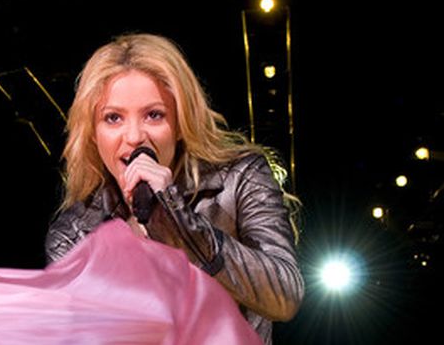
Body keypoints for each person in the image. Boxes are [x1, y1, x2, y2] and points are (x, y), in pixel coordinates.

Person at [45, 32, 304, 345]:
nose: (134, 136)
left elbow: (284, 295)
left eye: (154, 115)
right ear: (92, 133)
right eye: (113, 118)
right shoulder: (75, 232)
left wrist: (178, 221)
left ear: (181, 123)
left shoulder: (240, 177)